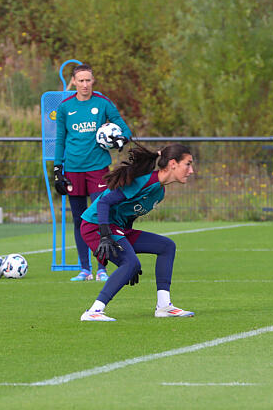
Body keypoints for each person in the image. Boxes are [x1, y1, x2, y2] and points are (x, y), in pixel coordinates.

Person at [79, 141, 195, 321]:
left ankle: (164, 306)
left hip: (117, 227)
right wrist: (105, 236)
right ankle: (94, 311)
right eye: (188, 164)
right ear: (173, 164)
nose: (191, 170)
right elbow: (103, 203)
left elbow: (129, 215)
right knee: (131, 263)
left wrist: (126, 253)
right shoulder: (143, 182)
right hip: (95, 224)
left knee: (166, 246)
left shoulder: (159, 192)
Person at [53, 63, 131, 282]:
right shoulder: (65, 107)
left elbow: (125, 129)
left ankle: (102, 268)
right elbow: (60, 139)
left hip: (98, 170)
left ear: (93, 81)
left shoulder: (103, 103)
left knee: (98, 217)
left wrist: (121, 139)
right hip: (73, 169)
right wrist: (58, 169)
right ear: (74, 82)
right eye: (81, 81)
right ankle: (84, 269)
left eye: (88, 80)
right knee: (79, 220)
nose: (85, 85)